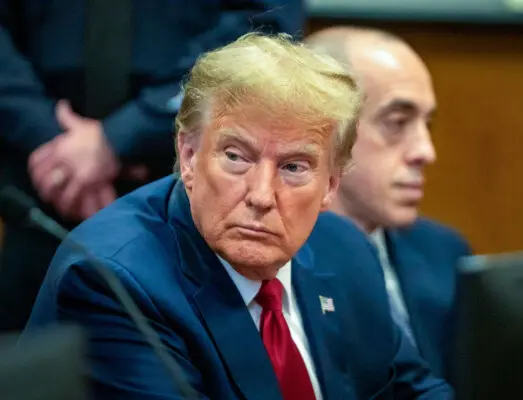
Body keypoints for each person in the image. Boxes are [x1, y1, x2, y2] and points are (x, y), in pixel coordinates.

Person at [22, 33, 452, 399]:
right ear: (188, 156)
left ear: (332, 184)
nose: (262, 195)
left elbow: (413, 389)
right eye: (236, 157)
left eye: (294, 167)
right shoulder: (113, 282)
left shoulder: (346, 249)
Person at [0, 0, 304, 331]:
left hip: (190, 185)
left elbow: (263, 25)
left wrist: (124, 134)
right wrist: (45, 136)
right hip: (37, 186)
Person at [305, 27, 472, 378]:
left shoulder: (446, 254)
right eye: (397, 123)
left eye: (427, 124)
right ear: (322, 131)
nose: (426, 152)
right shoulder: (269, 269)